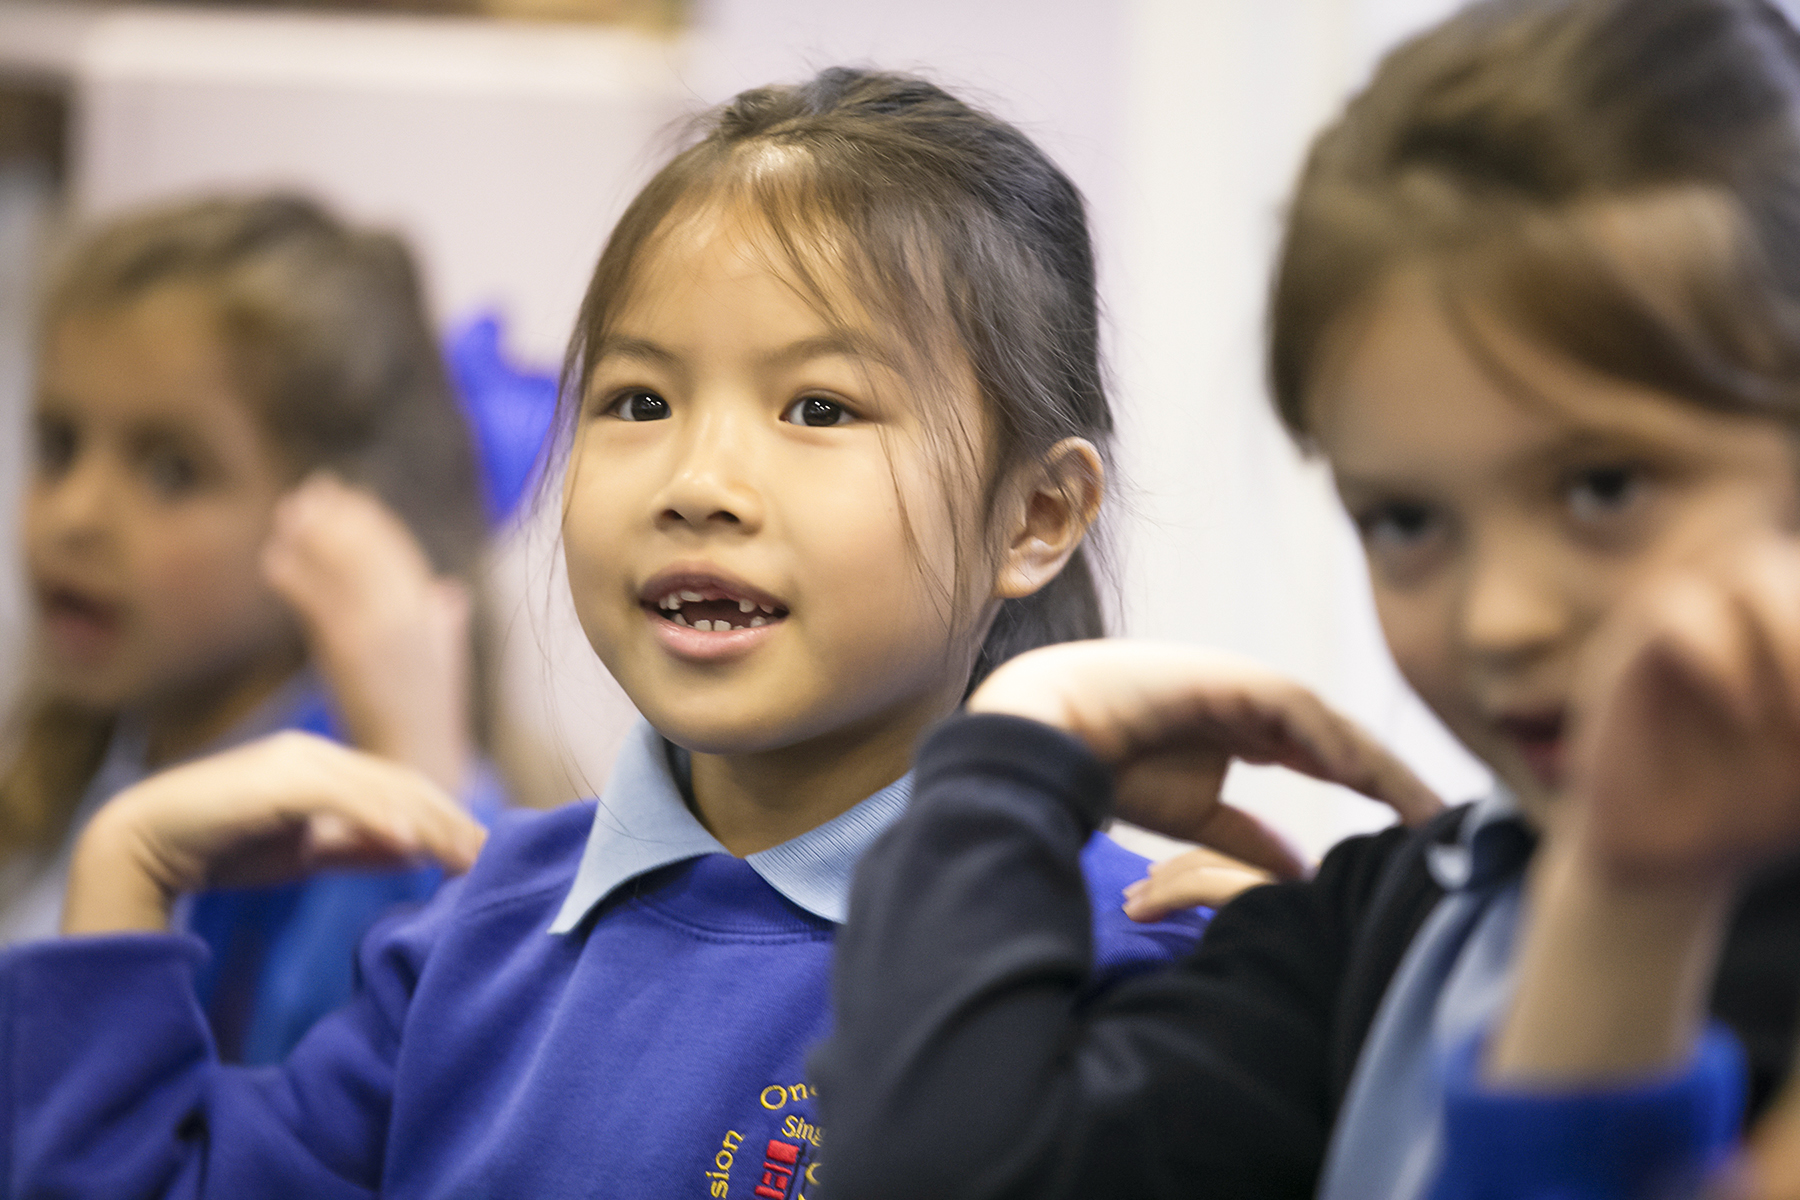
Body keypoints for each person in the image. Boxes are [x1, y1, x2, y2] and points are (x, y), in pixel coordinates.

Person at [0, 69, 1257, 1197]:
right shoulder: (469, 942)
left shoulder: (1116, 970)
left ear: (1036, 516)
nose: (697, 479)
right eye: (639, 399)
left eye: (818, 406)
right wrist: (126, 876)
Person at [811, 2, 1800, 1198]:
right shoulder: (1397, 923)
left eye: (1602, 487)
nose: (1503, 619)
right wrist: (1021, 738)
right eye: (1406, 521)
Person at [0, 194, 509, 1066]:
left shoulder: (345, 831)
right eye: (57, 444)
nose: (74, 514)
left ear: (340, 523)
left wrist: (408, 764)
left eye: (171, 469)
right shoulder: (84, 749)